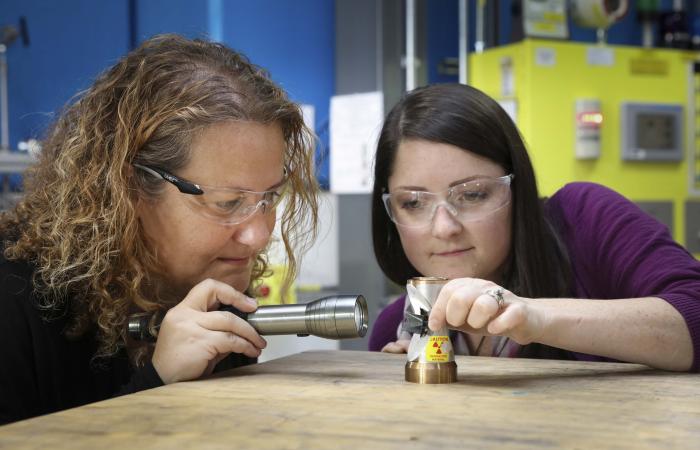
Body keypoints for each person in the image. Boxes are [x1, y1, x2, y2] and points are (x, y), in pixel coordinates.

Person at [0, 34, 318, 424]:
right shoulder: (14, 299)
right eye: (227, 204)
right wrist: (157, 382)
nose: (257, 236)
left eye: (268, 199)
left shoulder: (213, 286)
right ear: (129, 186)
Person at [368, 83, 699, 372]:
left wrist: (534, 317)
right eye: (412, 203)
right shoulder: (394, 331)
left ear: (517, 188)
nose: (443, 227)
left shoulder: (583, 218)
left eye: (472, 194)